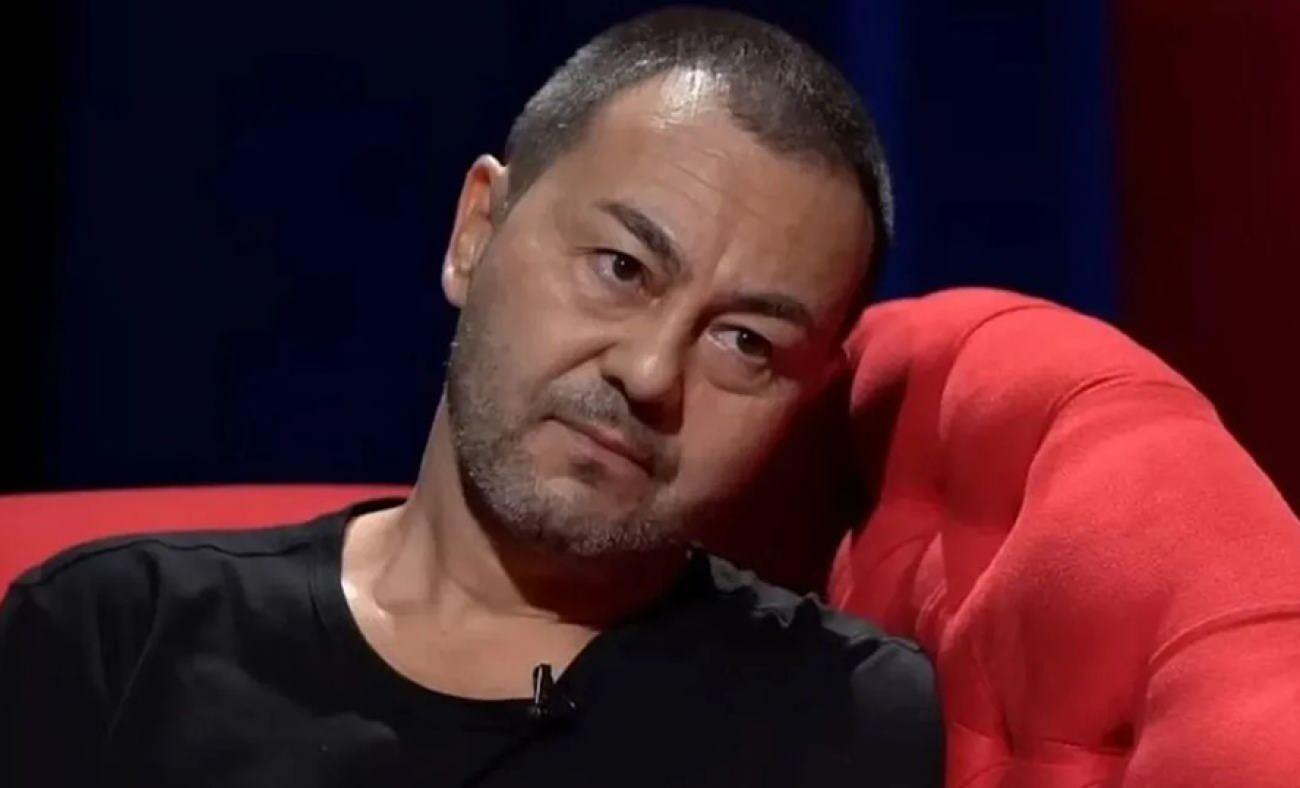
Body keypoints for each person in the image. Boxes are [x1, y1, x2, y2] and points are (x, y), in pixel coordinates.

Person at [0, 8, 941, 786]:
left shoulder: (837, 718)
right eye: (622, 267)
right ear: (476, 231)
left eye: (745, 342)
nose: (651, 372)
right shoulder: (120, 635)